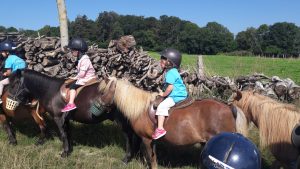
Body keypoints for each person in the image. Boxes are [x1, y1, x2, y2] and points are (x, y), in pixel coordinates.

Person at [152, 48, 188, 140]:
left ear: (169, 62)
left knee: (161, 107)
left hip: (176, 96)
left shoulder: (170, 73)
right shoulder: (173, 71)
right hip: (181, 94)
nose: (161, 60)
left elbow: (170, 88)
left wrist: (163, 94)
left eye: (163, 58)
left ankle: (160, 129)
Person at [61, 37, 97, 112]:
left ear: (77, 51)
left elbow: (82, 74)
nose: (71, 52)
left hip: (87, 78)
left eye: (72, 50)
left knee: (72, 87)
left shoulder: (85, 60)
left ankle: (71, 104)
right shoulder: (82, 59)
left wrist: (74, 78)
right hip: (85, 77)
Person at [0, 40, 26, 104]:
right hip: (25, 77)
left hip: (16, 77)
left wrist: (5, 73)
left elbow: (9, 72)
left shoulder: (8, 60)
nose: (1, 53)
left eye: (2, 51)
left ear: (7, 52)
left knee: (1, 83)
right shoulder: (19, 58)